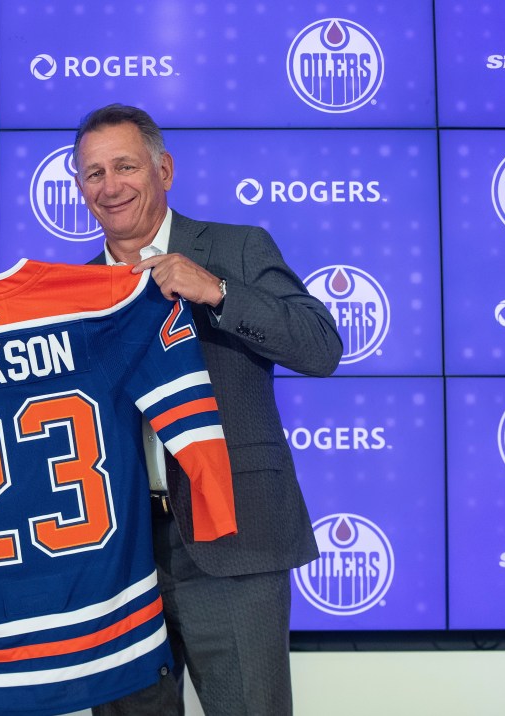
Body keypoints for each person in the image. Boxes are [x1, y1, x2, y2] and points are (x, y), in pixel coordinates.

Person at [72, 104, 343, 716]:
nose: (109, 186)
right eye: (92, 173)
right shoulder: (71, 291)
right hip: (119, 560)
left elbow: (321, 348)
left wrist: (216, 291)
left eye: (124, 166)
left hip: (236, 541)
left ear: (163, 169)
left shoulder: (236, 248)